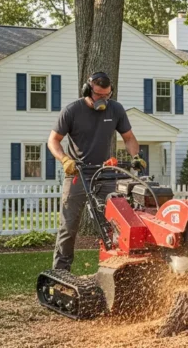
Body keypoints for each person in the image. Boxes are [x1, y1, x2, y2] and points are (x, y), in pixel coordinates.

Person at [47, 72, 146, 271]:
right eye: (99, 95)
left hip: (105, 174)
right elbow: (53, 141)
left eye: (107, 96)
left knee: (114, 222)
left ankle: (114, 269)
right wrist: (65, 159)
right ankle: (60, 272)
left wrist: (136, 156)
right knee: (68, 226)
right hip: (77, 174)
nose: (103, 100)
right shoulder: (72, 111)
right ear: (87, 90)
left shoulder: (116, 109)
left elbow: (128, 138)